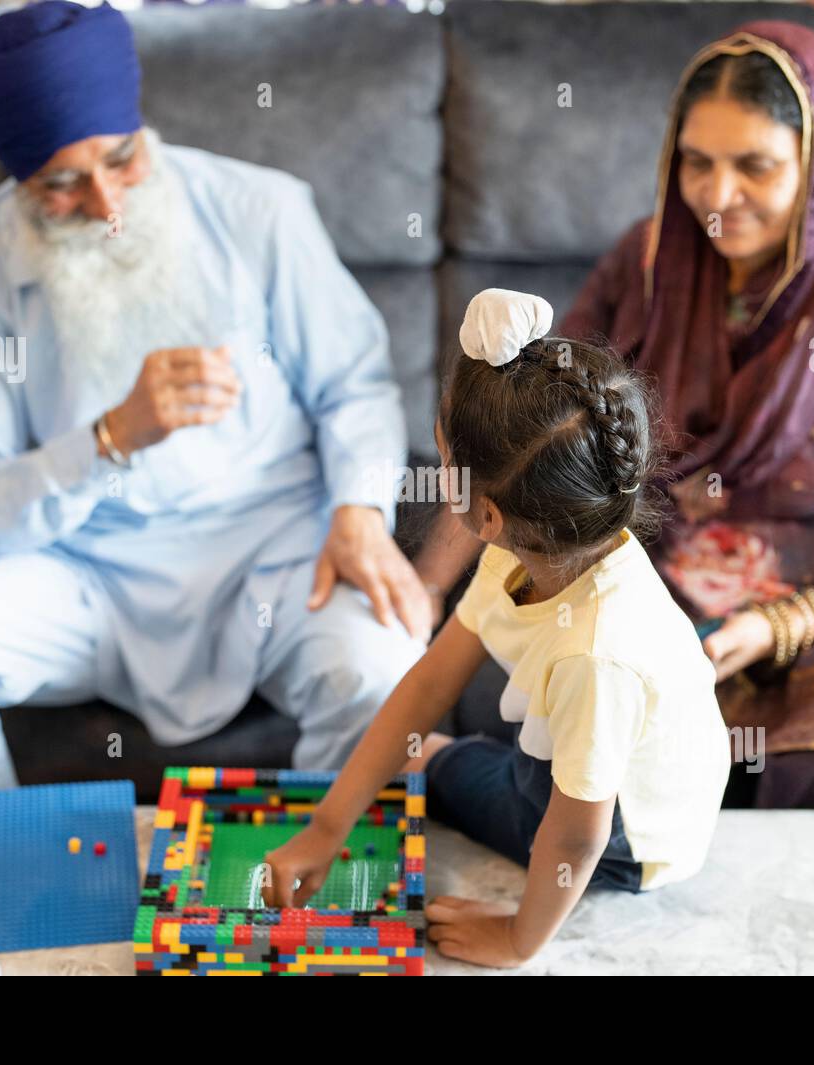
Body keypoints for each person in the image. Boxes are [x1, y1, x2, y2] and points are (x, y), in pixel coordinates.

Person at [414, 21, 814, 811]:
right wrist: (427, 585)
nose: (717, 195)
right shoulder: (650, 268)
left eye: (756, 166)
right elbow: (522, 429)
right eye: (696, 162)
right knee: (601, 780)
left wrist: (780, 624)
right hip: (673, 588)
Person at [0, 1, 430, 797]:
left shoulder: (260, 209)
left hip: (275, 548)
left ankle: (316, 891)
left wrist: (359, 511)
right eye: (61, 183)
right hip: (85, 569)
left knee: (382, 666)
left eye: (120, 160)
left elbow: (354, 386)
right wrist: (109, 438)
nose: (107, 205)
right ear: (18, 178)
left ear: (140, 128)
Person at [263, 290, 731, 969]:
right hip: (576, 761)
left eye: (441, 446)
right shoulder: (533, 540)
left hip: (633, 835)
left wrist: (517, 939)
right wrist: (328, 825)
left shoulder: (594, 658)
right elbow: (427, 684)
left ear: (483, 514)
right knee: (418, 758)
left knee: (445, 775)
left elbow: (576, 840)